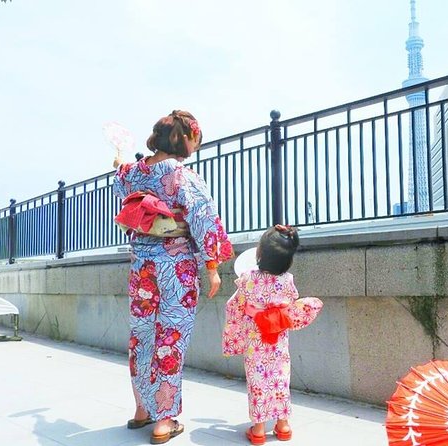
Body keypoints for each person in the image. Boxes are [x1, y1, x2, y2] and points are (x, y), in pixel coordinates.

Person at [113, 110, 234, 444]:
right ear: (183, 138)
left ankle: (142, 409)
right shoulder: (182, 175)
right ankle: (164, 419)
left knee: (142, 336)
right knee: (170, 339)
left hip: (141, 266)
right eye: (195, 137)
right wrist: (212, 268)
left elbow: (119, 178)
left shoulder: (135, 173)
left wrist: (120, 160)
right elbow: (204, 219)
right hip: (174, 267)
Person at [222, 225, 323, 445]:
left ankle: (258, 430)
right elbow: (291, 301)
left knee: (257, 380)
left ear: (259, 254)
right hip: (278, 339)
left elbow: (235, 306)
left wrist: (235, 332)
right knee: (279, 379)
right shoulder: (287, 280)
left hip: (256, 340)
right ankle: (283, 425)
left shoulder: (248, 279)